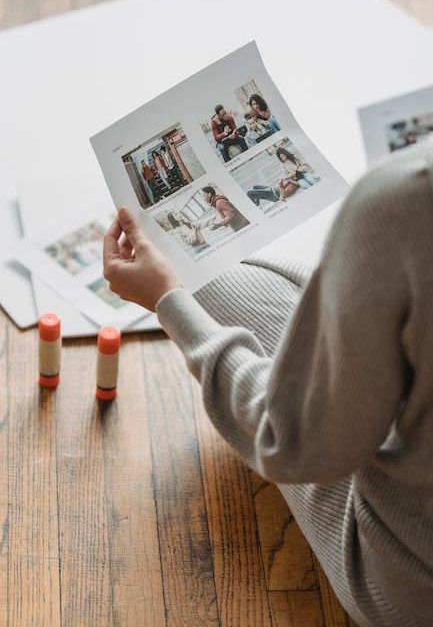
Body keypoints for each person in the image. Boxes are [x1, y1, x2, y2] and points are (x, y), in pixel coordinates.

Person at [103, 141, 433, 627]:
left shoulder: (403, 199)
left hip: (410, 586)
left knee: (214, 284)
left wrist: (169, 302)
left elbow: (293, 444)